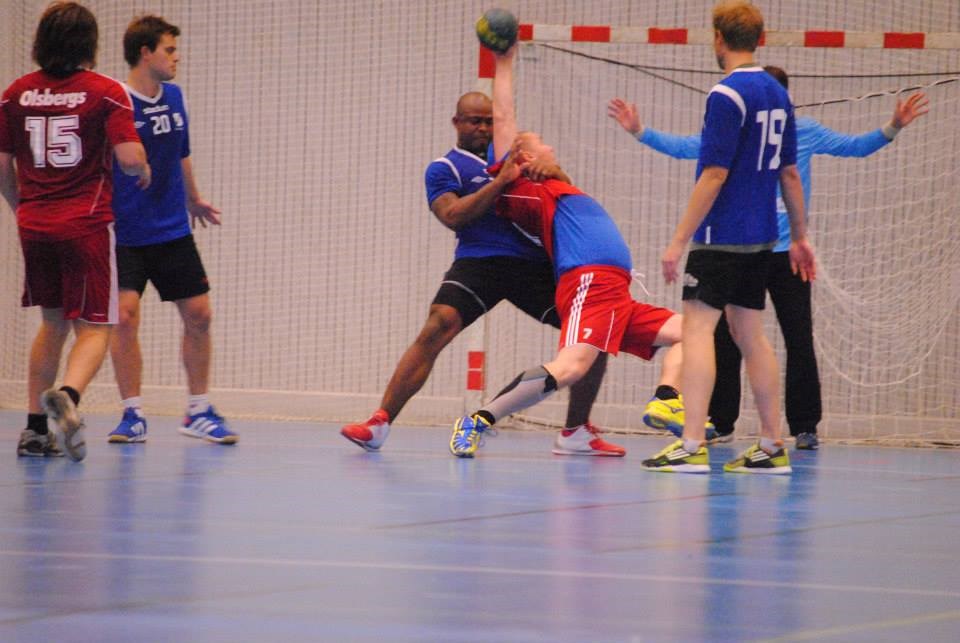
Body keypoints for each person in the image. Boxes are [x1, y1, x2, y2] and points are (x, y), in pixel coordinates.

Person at [609, 70, 928, 451]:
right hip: (752, 247)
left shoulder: (801, 131)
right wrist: (640, 132)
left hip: (785, 254)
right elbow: (688, 147)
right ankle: (722, 422)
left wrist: (893, 127)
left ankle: (803, 426)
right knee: (729, 337)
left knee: (795, 336)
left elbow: (853, 147)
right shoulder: (739, 129)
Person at [340, 91, 626, 456]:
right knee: (438, 323)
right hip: (480, 261)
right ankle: (379, 423)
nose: (483, 128)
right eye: (475, 121)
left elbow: (564, 198)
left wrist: (555, 171)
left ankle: (576, 432)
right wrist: (500, 182)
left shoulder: (515, 154)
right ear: (456, 122)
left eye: (489, 121)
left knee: (595, 332)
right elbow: (452, 215)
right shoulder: (445, 168)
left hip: (533, 264)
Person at [447, 43, 697, 459]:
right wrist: (503, 63)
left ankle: (666, 399)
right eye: (542, 143)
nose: (551, 148)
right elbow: (505, 119)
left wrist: (558, 172)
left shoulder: (557, 185)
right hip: (589, 284)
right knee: (572, 366)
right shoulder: (527, 187)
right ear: (525, 156)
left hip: (617, 294)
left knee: (696, 332)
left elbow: (547, 164)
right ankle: (479, 420)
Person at [639, 0, 816, 474]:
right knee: (749, 335)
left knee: (697, 331)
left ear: (718, 37)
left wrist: (679, 239)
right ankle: (772, 444)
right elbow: (790, 173)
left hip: (721, 235)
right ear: (760, 38)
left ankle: (691, 443)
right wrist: (800, 235)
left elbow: (714, 173)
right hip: (762, 238)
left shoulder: (726, 94)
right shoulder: (778, 94)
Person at [0, 2, 150, 461]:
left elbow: (2, 167)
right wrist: (143, 167)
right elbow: (129, 158)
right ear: (90, 43)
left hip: (34, 225)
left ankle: (33, 431)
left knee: (52, 323)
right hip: (85, 224)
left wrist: (22, 206)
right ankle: (68, 396)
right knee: (96, 327)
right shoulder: (106, 92)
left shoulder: (15, 94)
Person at [107, 15, 236, 445]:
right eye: (169, 49)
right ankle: (132, 414)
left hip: (171, 228)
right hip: (124, 232)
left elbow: (181, 153)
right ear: (145, 53)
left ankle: (198, 411)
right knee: (125, 316)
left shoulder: (176, 97)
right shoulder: (115, 101)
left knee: (200, 314)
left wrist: (193, 199)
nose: (176, 57)